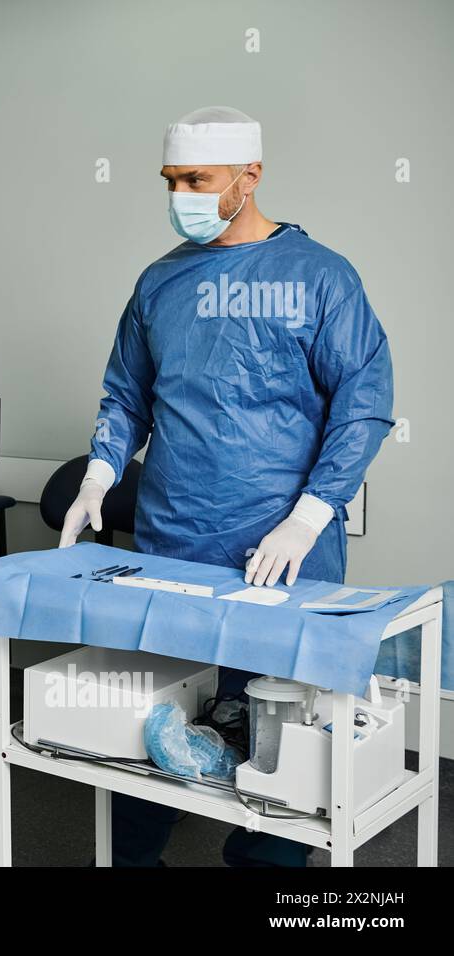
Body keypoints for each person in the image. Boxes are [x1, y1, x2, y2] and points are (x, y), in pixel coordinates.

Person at [59, 107, 394, 865]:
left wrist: (308, 517)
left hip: (282, 546)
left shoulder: (321, 277)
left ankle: (266, 866)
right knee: (149, 717)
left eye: (197, 179)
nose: (180, 194)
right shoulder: (160, 282)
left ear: (251, 177)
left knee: (284, 729)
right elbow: (126, 396)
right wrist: (100, 473)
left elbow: (363, 404)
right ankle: (130, 859)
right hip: (172, 536)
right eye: (172, 180)